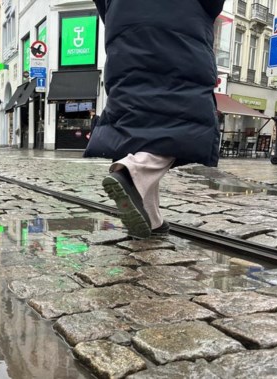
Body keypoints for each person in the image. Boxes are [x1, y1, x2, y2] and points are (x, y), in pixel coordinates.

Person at [85, 0, 224, 239]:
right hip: (181, 24)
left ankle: (152, 218)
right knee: (180, 118)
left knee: (137, 120)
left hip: (124, 26)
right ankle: (133, 173)